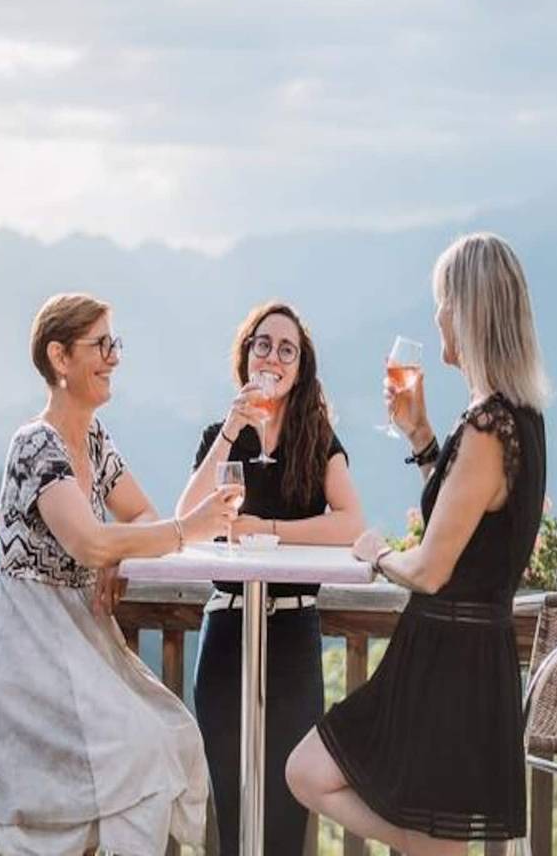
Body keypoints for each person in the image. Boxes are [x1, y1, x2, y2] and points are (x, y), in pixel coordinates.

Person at [0, 292, 239, 856]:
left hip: (75, 640)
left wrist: (118, 555)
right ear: (60, 358)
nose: (113, 356)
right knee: (140, 746)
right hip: (26, 647)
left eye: (112, 343)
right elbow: (87, 539)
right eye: (100, 345)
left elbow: (136, 515)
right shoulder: (34, 445)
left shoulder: (95, 442)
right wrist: (185, 529)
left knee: (174, 734)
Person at [286, 233, 550, 855]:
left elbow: (432, 567)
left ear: (468, 311)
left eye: (443, 303)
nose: (437, 318)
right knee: (423, 830)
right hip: (458, 655)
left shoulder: (490, 427)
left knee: (308, 772)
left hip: (448, 663)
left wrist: (374, 553)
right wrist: (424, 438)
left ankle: (426, 846)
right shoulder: (511, 418)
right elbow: (469, 522)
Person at [177, 301, 366, 855]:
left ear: (301, 368)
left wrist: (272, 529)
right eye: (263, 344)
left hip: (291, 632)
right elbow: (185, 519)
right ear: (247, 355)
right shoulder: (222, 436)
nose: (274, 356)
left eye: (288, 349)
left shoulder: (317, 439)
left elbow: (353, 524)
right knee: (234, 815)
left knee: (286, 810)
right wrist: (234, 426)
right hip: (227, 634)